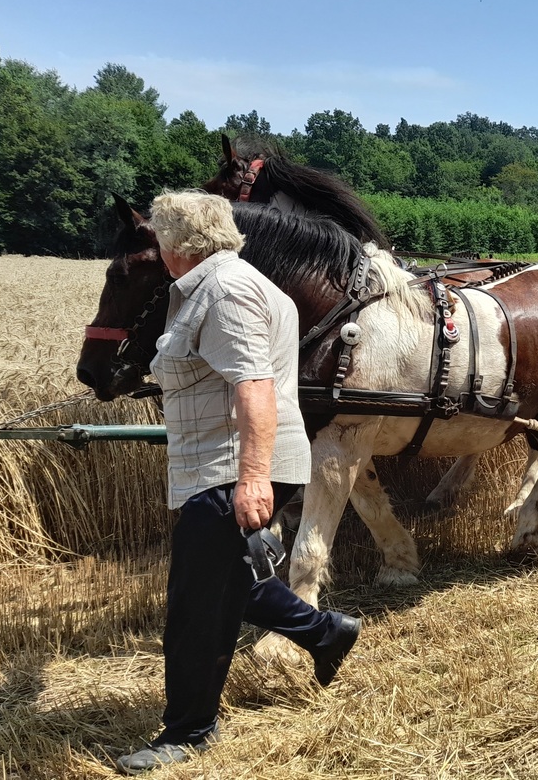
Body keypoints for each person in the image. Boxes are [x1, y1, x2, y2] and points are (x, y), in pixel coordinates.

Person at [116, 191, 361, 775]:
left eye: (155, 238)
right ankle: (326, 633)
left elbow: (253, 386)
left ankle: (188, 731)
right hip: (223, 463)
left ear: (172, 244)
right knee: (228, 583)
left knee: (196, 604)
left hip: (232, 468)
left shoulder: (223, 292)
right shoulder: (228, 282)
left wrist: (251, 479)